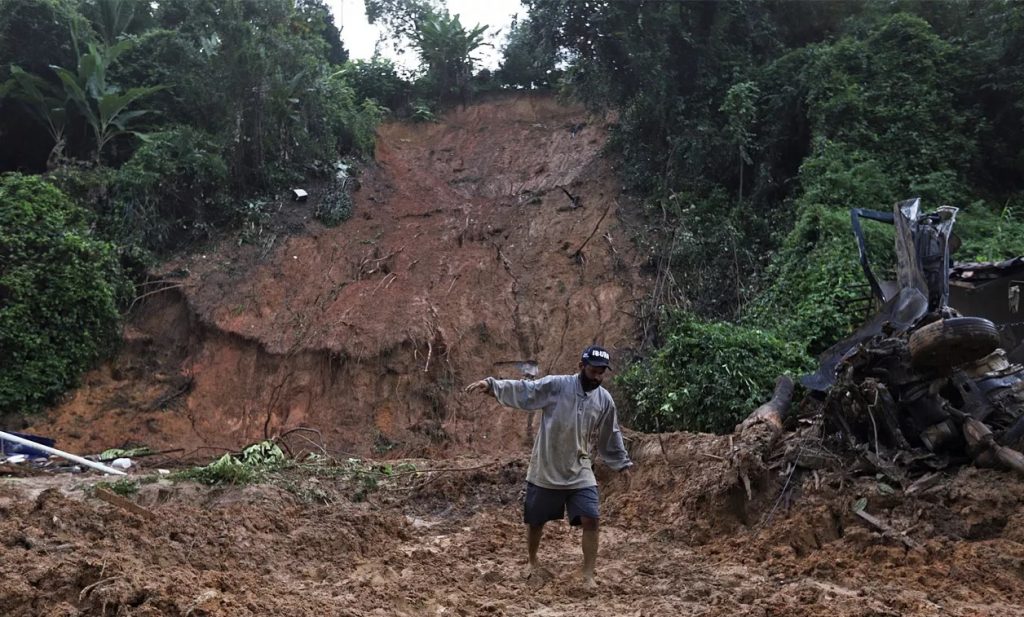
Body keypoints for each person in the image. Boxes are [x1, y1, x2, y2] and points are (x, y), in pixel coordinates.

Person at [465, 345, 633, 588]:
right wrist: (492, 386)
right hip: (546, 465)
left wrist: (622, 463)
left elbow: (611, 433)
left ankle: (588, 574)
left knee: (592, 518)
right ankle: (532, 562)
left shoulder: (604, 399)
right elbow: (527, 391)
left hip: (580, 467)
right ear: (581, 367)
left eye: (601, 373)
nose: (597, 377)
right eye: (593, 371)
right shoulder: (557, 385)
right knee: (536, 520)